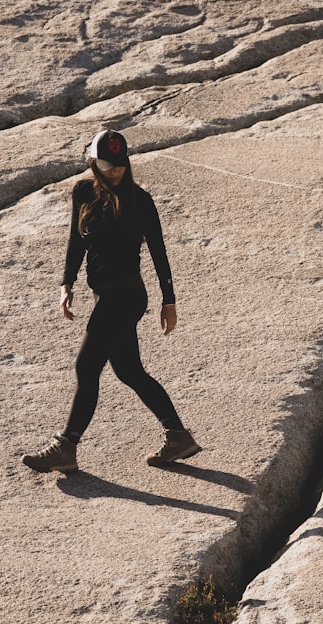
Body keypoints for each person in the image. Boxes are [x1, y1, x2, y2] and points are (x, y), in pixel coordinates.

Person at [21, 129, 201, 473]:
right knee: (130, 370)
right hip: (105, 295)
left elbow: (160, 252)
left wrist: (169, 301)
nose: (115, 171)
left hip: (127, 297)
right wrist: (67, 281)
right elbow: (76, 240)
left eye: (119, 164)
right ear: (93, 162)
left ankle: (66, 445)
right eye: (107, 165)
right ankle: (178, 437)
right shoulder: (84, 191)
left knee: (86, 368)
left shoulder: (140, 199)